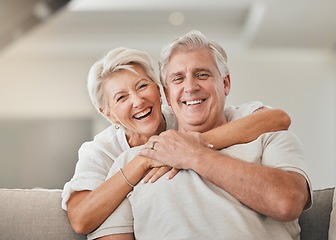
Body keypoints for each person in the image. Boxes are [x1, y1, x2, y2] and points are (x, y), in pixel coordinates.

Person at [61, 46, 292, 238]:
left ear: (160, 90)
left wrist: (188, 146)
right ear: (109, 114)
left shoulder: (188, 114)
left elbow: (276, 118)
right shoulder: (101, 151)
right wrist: (144, 161)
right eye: (121, 97)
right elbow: (81, 219)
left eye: (142, 86)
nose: (138, 101)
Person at [104, 30, 312, 239]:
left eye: (202, 74)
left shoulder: (268, 136)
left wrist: (194, 155)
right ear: (166, 94)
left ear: (225, 83)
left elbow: (288, 203)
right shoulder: (130, 163)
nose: (190, 87)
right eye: (178, 79)